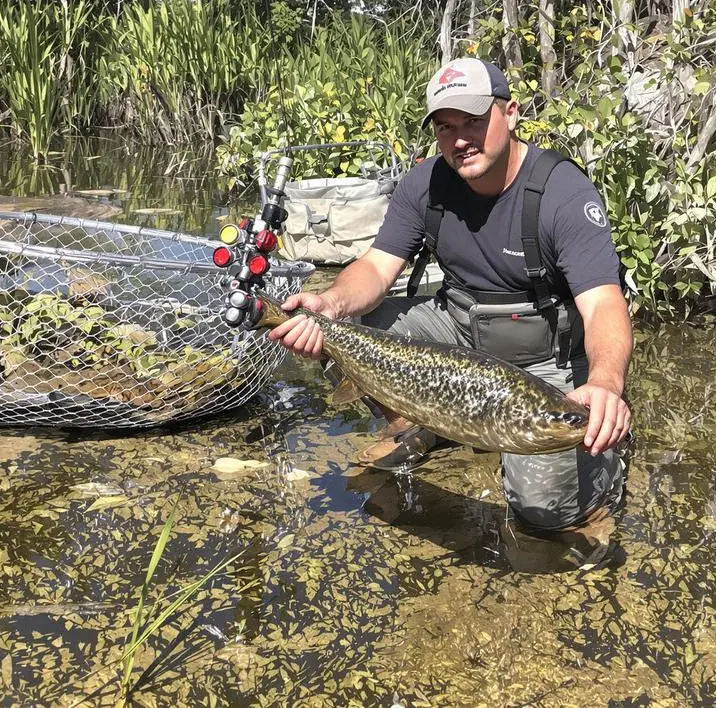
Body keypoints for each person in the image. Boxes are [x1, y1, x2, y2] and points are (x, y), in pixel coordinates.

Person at [267, 57, 633, 538]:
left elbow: (604, 304)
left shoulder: (561, 192)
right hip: (460, 331)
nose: (460, 140)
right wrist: (329, 305)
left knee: (544, 512)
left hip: (543, 354)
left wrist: (606, 382)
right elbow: (378, 268)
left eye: (474, 121)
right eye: (446, 127)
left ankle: (606, 459)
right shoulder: (425, 182)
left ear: (511, 113)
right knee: (361, 323)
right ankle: (424, 421)